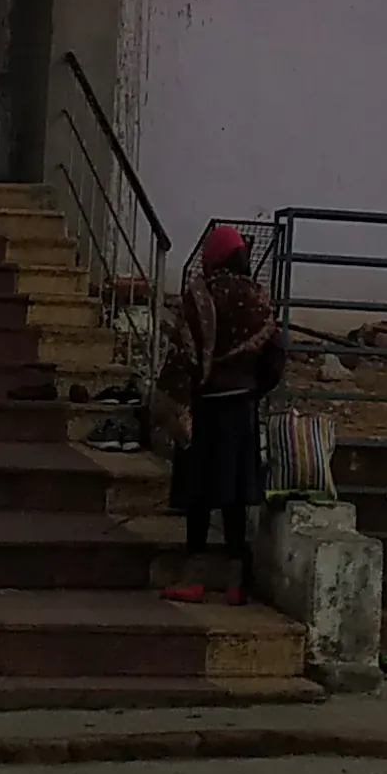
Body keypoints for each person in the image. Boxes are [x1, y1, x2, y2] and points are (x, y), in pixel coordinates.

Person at [153, 221, 282, 603]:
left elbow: (182, 359)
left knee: (199, 494)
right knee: (235, 497)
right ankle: (235, 583)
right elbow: (276, 356)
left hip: (205, 410)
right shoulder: (259, 298)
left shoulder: (199, 296)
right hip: (242, 412)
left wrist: (171, 407)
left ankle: (193, 579)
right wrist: (255, 390)